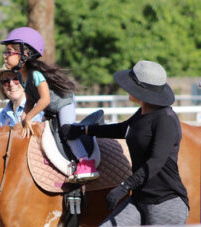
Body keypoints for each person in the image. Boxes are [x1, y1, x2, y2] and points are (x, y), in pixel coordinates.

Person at [60, 60, 189, 226]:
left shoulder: (166, 120)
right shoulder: (142, 113)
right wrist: (84, 129)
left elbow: (156, 162)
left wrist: (124, 185)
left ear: (143, 91)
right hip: (139, 200)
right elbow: (123, 129)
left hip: (165, 204)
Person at [0, 26, 99, 181]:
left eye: (9, 52)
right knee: (44, 132)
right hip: (50, 108)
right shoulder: (20, 75)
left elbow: (44, 100)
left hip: (62, 102)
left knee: (67, 130)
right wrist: (23, 118)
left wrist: (29, 118)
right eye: (5, 52)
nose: (4, 56)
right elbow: (31, 99)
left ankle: (86, 162)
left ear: (25, 54)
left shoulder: (37, 74)